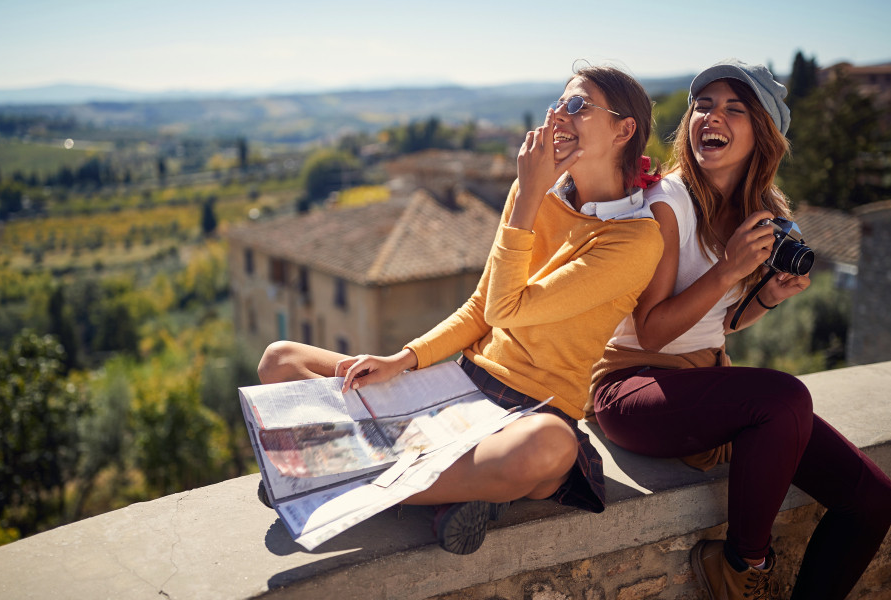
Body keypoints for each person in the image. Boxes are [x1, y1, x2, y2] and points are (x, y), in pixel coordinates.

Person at [257, 64, 663, 554]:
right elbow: (480, 309)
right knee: (281, 360)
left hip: (534, 411)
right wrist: (403, 360)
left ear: (624, 129)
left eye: (578, 105)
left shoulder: (636, 239)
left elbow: (506, 308)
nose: (559, 115)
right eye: (558, 103)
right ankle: (457, 493)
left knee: (549, 450)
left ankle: (332, 477)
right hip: (462, 386)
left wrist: (530, 195)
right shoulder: (529, 196)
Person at [590, 58, 891, 599]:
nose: (714, 116)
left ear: (764, 133)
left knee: (873, 499)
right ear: (689, 123)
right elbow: (655, 331)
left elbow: (718, 322)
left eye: (736, 108)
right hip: (631, 387)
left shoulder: (757, 211)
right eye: (704, 105)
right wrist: (729, 269)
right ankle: (742, 566)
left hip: (702, 388)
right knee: (785, 396)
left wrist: (767, 298)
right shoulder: (666, 205)